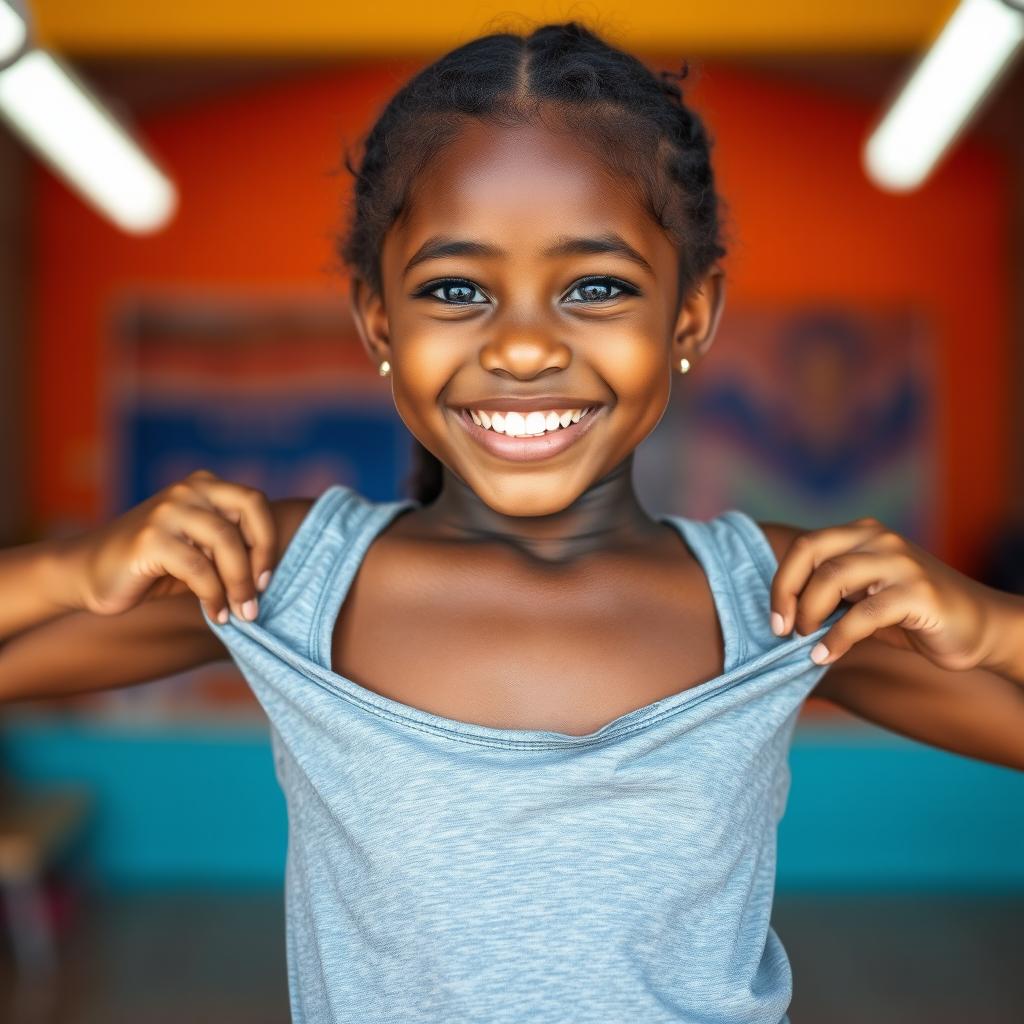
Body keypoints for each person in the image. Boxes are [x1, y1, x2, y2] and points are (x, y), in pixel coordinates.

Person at [2, 21, 1022, 1024]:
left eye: (594, 287)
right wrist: (66, 572)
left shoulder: (784, 601)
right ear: (377, 322)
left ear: (689, 316)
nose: (525, 347)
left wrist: (991, 624)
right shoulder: (283, 578)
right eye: (455, 288)